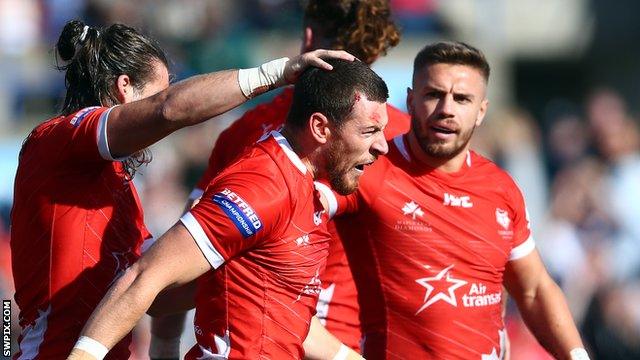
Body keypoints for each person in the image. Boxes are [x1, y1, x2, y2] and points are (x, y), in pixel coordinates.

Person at [10, 19, 353, 360]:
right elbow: (169, 110)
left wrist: (243, 259)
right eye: (158, 90)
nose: (165, 102)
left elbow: (157, 295)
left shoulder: (121, 188)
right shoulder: (57, 139)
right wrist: (272, 74)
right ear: (124, 87)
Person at [67, 59, 389, 360]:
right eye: (369, 131)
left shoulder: (302, 185)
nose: (382, 146)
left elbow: (283, 312)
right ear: (320, 128)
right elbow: (147, 276)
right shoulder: (264, 187)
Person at [316, 41, 590, 359]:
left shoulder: (500, 187)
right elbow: (283, 222)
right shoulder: (369, 169)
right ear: (410, 101)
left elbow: (533, 289)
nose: (446, 109)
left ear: (481, 112)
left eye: (462, 99)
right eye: (434, 94)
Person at [186, 0, 408, 352]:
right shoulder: (402, 139)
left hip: (258, 338)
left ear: (308, 38)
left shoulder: (247, 129)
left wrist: (164, 344)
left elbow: (191, 243)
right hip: (342, 341)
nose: (375, 145)